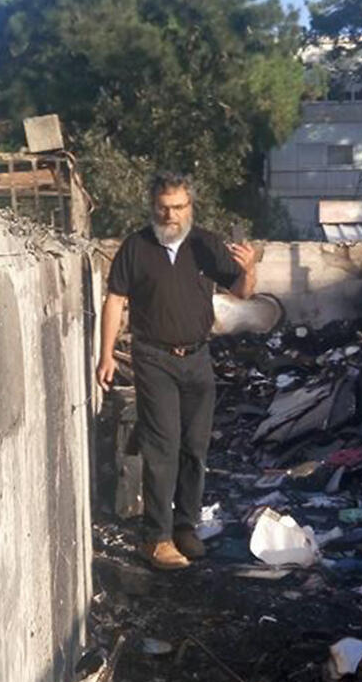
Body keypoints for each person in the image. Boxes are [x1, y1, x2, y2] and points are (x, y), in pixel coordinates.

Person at [96, 172, 257, 570]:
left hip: (199, 358)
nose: (171, 215)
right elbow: (115, 300)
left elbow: (241, 292)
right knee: (162, 447)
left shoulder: (206, 245)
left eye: (179, 207)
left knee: (194, 447)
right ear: (153, 206)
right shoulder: (136, 247)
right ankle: (155, 538)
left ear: (191, 207)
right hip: (154, 358)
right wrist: (106, 355)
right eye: (163, 207)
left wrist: (249, 267)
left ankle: (186, 528)